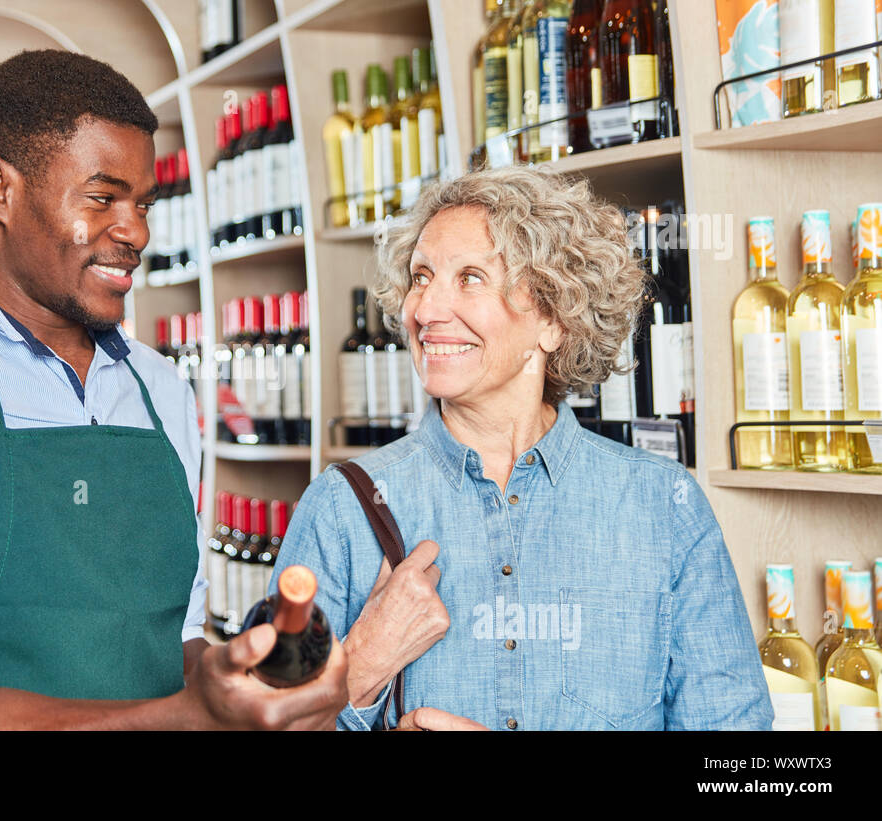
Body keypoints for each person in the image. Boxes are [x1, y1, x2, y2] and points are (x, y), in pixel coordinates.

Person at [0, 49, 346, 730]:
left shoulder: (161, 390)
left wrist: (236, 685)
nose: (137, 232)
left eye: (143, 203)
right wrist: (185, 717)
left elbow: (170, 635)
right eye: (102, 198)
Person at [274, 166, 774, 731]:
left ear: (553, 319)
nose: (426, 310)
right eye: (420, 277)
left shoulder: (665, 507)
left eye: (469, 278)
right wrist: (361, 665)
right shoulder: (340, 509)